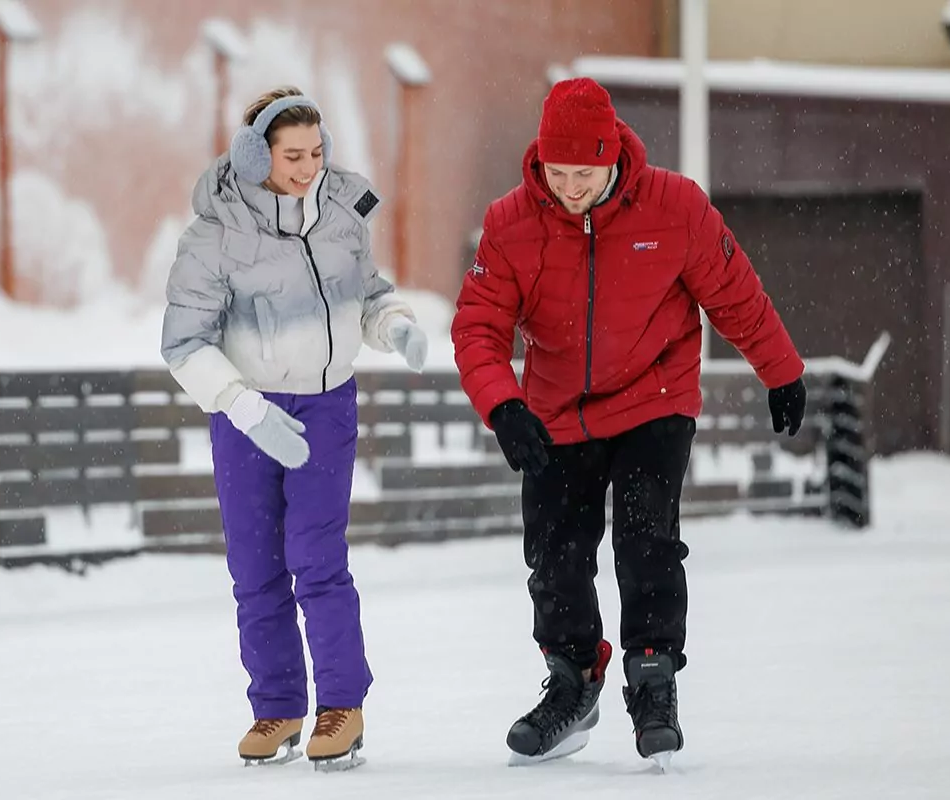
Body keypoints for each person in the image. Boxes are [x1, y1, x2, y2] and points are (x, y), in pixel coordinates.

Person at [451, 77, 808, 768]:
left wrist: (781, 369)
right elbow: (478, 326)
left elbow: (735, 293)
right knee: (555, 551)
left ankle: (652, 680)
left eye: (584, 173)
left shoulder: (673, 206)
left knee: (645, 539)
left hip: (655, 396)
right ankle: (572, 680)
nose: (571, 188)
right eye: (557, 173)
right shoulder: (511, 222)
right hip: (555, 408)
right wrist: (503, 403)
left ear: (612, 155)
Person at [160, 86, 428, 771]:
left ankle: (343, 703)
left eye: (316, 152)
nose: (307, 168)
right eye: (292, 156)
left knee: (316, 558)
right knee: (255, 567)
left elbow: (364, 292)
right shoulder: (214, 234)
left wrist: (393, 324)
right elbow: (184, 343)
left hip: (326, 407)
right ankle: (276, 706)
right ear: (256, 154)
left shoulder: (341, 213)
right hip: (247, 415)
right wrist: (246, 408)